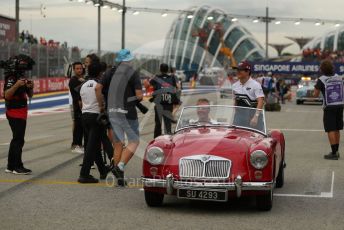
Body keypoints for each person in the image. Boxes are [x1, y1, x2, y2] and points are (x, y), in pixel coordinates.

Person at [107, 49, 143, 186]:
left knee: (117, 144)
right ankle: (120, 166)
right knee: (134, 141)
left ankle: (119, 179)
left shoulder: (110, 72)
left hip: (112, 111)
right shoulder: (132, 73)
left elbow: (99, 87)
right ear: (128, 60)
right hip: (128, 112)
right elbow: (139, 96)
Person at [77, 61, 110, 183]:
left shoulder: (83, 85)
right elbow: (99, 96)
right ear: (100, 73)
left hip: (85, 115)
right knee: (92, 146)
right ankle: (84, 174)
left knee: (95, 145)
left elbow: (80, 102)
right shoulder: (98, 85)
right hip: (96, 116)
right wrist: (102, 107)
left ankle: (102, 170)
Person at [3, 55, 35, 175]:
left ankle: (10, 166)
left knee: (17, 139)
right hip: (14, 112)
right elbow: (6, 95)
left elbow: (30, 95)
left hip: (21, 112)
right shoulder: (11, 78)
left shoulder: (22, 77)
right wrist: (17, 85)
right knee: (18, 140)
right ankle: (17, 166)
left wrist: (31, 87)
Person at [314, 60, 344, 160]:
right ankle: (337, 151)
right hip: (340, 105)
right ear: (332, 68)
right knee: (337, 128)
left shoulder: (321, 79)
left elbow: (315, 94)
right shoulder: (339, 77)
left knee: (330, 129)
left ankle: (334, 153)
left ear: (322, 69)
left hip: (329, 106)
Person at [232, 61, 265, 130]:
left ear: (247, 72)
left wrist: (256, 117)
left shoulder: (255, 85)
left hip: (252, 116)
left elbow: (261, 101)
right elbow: (235, 101)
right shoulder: (234, 85)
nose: (237, 72)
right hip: (239, 117)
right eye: (237, 70)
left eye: (240, 70)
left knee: (255, 138)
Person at [150, 63, 178, 138]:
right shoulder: (172, 78)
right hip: (168, 104)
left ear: (160, 69)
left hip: (159, 103)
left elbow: (150, 84)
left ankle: (157, 139)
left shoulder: (156, 77)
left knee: (158, 124)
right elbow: (175, 89)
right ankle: (168, 140)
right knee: (168, 124)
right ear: (167, 69)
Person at [69, 62, 85, 153]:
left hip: (83, 105)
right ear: (74, 70)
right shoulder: (73, 80)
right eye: (77, 69)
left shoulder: (82, 79)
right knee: (78, 127)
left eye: (80, 68)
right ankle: (75, 145)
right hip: (78, 105)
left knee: (81, 127)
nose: (79, 70)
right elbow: (77, 96)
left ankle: (79, 144)